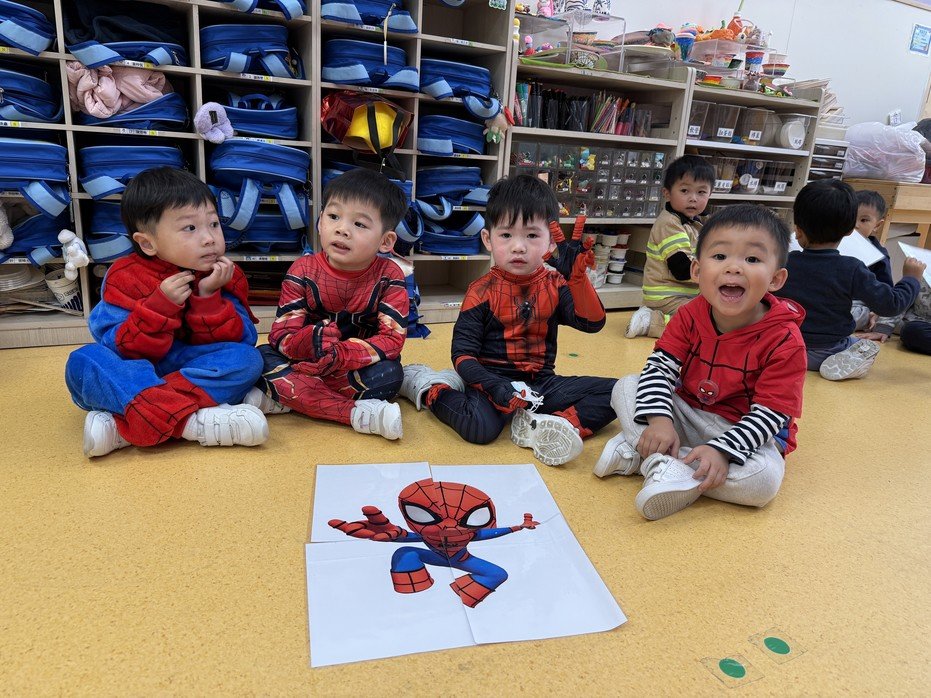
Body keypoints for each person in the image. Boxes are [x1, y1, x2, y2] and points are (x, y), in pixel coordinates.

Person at [594, 205, 806, 520]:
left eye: (752, 259)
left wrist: (722, 451)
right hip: (689, 413)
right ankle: (666, 461)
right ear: (696, 270)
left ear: (776, 278)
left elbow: (770, 415)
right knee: (627, 386)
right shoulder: (689, 314)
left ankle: (645, 457)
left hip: (745, 431)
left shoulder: (785, 339)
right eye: (720, 256)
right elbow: (659, 370)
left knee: (763, 483)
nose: (733, 268)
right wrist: (660, 421)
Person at [396, 174, 616, 466]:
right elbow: (462, 356)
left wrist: (577, 280)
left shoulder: (556, 284)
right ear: (488, 239)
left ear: (551, 241)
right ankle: (433, 388)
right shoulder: (480, 291)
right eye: (506, 235)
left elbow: (592, 323)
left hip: (540, 385)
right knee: (480, 428)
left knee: (618, 392)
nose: (518, 247)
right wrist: (494, 386)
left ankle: (552, 427)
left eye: (532, 236)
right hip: (489, 383)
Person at [65, 168, 267, 457]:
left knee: (247, 359)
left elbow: (242, 340)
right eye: (190, 228)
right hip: (134, 371)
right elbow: (119, 347)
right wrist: (158, 308)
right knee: (84, 360)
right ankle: (191, 423)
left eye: (214, 224)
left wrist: (208, 297)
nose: (209, 238)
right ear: (148, 243)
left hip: (183, 370)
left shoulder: (224, 274)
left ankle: (127, 422)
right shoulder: (125, 276)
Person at [250, 168, 410, 440]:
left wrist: (341, 355)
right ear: (320, 221)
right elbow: (281, 335)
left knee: (390, 374)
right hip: (305, 359)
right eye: (334, 216)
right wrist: (308, 342)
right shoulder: (302, 269)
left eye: (359, 224)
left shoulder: (390, 275)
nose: (342, 229)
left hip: (352, 365)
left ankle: (288, 396)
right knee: (259, 357)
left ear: (386, 241)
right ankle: (353, 413)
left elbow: (392, 340)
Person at [775, 180, 924, 380]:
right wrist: (911, 279)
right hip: (828, 349)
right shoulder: (851, 268)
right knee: (863, 345)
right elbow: (891, 305)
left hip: (782, 347)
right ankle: (841, 365)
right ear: (849, 231)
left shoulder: (783, 263)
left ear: (798, 230)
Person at [625, 155, 714, 338]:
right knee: (705, 322)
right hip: (667, 296)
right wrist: (715, 273)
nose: (693, 198)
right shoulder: (669, 223)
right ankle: (652, 321)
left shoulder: (695, 223)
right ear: (667, 193)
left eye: (701, 192)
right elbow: (681, 269)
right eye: (685, 191)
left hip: (685, 295)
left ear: (710, 194)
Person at [849, 190, 894, 334]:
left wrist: (877, 311)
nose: (855, 225)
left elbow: (886, 288)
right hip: (831, 299)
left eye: (864, 220)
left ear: (877, 225)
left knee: (852, 316)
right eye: (850, 218)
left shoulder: (878, 255)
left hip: (858, 305)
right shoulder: (833, 243)